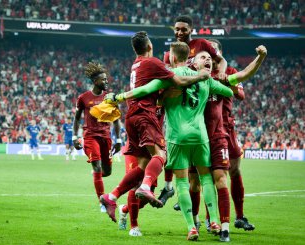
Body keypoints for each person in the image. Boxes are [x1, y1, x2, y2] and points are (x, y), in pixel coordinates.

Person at [99, 31, 209, 233]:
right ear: (149, 46)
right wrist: (201, 75)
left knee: (142, 166)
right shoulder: (153, 64)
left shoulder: (137, 64)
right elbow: (180, 81)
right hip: (144, 115)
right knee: (161, 155)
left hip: (132, 116)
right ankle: (145, 187)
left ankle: (111, 196)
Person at [159, 14, 229, 206]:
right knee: (174, 149)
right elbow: (167, 77)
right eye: (177, 29)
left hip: (200, 105)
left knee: (203, 171)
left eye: (183, 29)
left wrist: (221, 71)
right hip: (179, 109)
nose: (179, 32)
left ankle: (207, 214)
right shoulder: (170, 53)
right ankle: (169, 186)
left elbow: (221, 61)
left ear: (191, 30)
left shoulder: (202, 44)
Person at [208, 39, 256, 232]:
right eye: (208, 50)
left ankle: (240, 216)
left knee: (235, 170)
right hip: (208, 128)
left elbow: (241, 96)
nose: (211, 53)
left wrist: (229, 82)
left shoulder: (231, 71)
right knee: (212, 175)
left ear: (221, 52)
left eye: (214, 50)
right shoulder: (202, 71)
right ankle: (210, 219)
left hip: (228, 127)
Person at [72, 61, 122, 212]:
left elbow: (116, 120)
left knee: (106, 172)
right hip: (90, 136)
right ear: (95, 81)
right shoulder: (84, 98)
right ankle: (102, 201)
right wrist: (75, 137)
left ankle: (96, 174)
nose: (106, 82)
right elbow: (77, 118)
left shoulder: (110, 97)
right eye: (103, 79)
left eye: (107, 79)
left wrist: (118, 139)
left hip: (105, 137)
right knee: (98, 166)